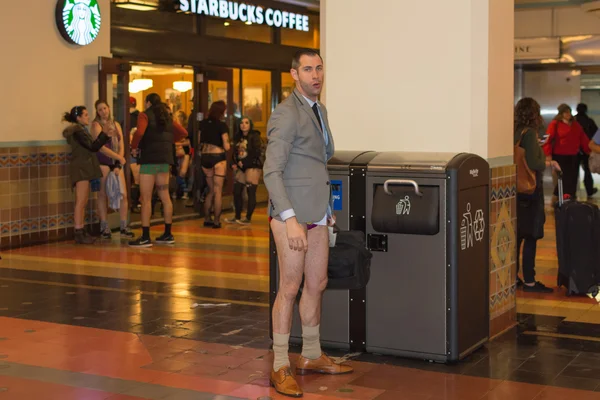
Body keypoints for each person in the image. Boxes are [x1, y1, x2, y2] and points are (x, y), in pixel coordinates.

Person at [263, 49, 353, 398]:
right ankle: (280, 364)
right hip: (292, 217)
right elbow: (272, 171)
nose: (315, 75)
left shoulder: (318, 110)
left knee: (317, 282)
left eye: (319, 68)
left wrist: (326, 209)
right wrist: (290, 219)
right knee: (289, 286)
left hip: (316, 214)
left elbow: (317, 164)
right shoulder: (286, 114)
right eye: (308, 69)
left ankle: (311, 355)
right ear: (293, 74)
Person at [128, 93, 188, 248]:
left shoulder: (144, 115)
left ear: (147, 103)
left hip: (149, 160)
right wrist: (168, 141)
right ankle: (168, 234)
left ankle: (146, 236)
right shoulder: (167, 116)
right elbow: (183, 132)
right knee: (165, 196)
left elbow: (140, 132)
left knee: (146, 198)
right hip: (164, 161)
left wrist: (134, 147)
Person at [514, 98, 561, 293]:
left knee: (516, 237)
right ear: (534, 114)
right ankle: (530, 281)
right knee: (531, 235)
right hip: (530, 191)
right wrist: (545, 158)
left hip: (515, 190)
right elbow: (535, 163)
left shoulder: (514, 131)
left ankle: (512, 277)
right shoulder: (530, 133)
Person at [62, 106, 111, 244]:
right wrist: (104, 134)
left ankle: (81, 230)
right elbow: (93, 147)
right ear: (78, 118)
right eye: (85, 115)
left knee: (82, 201)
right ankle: (78, 231)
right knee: (81, 201)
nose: (88, 117)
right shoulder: (78, 132)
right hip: (81, 169)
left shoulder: (80, 131)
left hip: (83, 168)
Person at [90, 100, 133, 239]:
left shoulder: (116, 125)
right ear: (97, 112)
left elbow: (121, 144)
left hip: (116, 164)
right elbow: (101, 147)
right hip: (103, 163)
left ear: (109, 109)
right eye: (100, 109)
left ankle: (123, 225)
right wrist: (118, 158)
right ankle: (104, 226)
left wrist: (118, 162)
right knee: (103, 195)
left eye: (105, 108)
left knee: (123, 194)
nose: (103, 111)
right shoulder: (96, 125)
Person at [543, 104, 591, 200]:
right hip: (560, 156)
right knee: (563, 178)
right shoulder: (555, 124)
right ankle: (559, 197)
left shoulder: (575, 124)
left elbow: (583, 138)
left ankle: (570, 198)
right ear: (561, 113)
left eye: (569, 111)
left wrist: (589, 150)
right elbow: (547, 138)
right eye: (566, 112)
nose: (568, 114)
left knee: (573, 178)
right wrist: (547, 153)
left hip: (573, 156)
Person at [198, 101, 231, 229]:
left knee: (210, 190)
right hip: (218, 157)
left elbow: (199, 141)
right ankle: (217, 221)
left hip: (205, 157)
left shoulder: (203, 124)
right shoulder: (222, 125)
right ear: (222, 111)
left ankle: (207, 219)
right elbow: (227, 146)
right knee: (218, 191)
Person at [226, 116, 263, 225]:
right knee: (237, 190)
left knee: (250, 192)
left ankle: (247, 218)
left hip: (253, 165)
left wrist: (245, 162)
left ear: (250, 124)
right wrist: (233, 163)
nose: (243, 125)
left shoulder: (255, 136)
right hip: (241, 166)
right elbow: (234, 153)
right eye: (241, 123)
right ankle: (237, 216)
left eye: (246, 122)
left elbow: (257, 151)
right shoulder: (238, 137)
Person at [575, 103, 598, 199]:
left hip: (574, 150)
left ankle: (571, 191)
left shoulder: (573, 121)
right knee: (587, 171)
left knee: (573, 171)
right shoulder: (589, 121)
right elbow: (596, 135)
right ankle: (589, 190)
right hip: (587, 150)